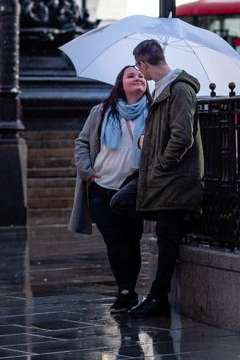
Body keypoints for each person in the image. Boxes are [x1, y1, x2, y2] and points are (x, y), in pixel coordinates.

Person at [128, 39, 204, 318]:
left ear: (144, 63)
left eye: (139, 67)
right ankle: (144, 293)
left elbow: (182, 136)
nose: (140, 72)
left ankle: (158, 297)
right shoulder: (164, 89)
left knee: (166, 235)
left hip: (175, 178)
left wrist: (161, 164)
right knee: (125, 207)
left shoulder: (179, 89)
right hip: (167, 177)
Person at [68, 65, 150, 314]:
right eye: (131, 75)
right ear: (120, 84)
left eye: (141, 76)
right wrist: (87, 171)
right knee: (114, 241)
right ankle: (125, 291)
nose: (137, 78)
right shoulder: (101, 111)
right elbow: (82, 142)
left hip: (132, 188)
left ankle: (130, 290)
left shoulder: (156, 112)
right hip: (101, 188)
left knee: (132, 240)